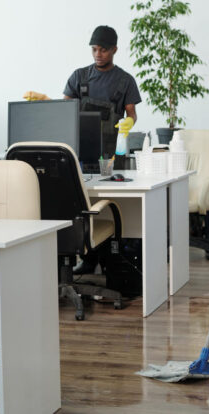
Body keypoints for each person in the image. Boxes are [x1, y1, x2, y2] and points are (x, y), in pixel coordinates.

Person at [25, 25, 142, 275]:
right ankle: (88, 257)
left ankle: (110, 260)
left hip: (111, 156)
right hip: (78, 154)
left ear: (114, 50)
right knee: (80, 200)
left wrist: (128, 123)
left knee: (110, 199)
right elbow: (64, 112)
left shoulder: (125, 81)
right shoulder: (79, 77)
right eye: (94, 49)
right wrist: (46, 101)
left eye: (103, 50)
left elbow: (132, 113)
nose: (98, 54)